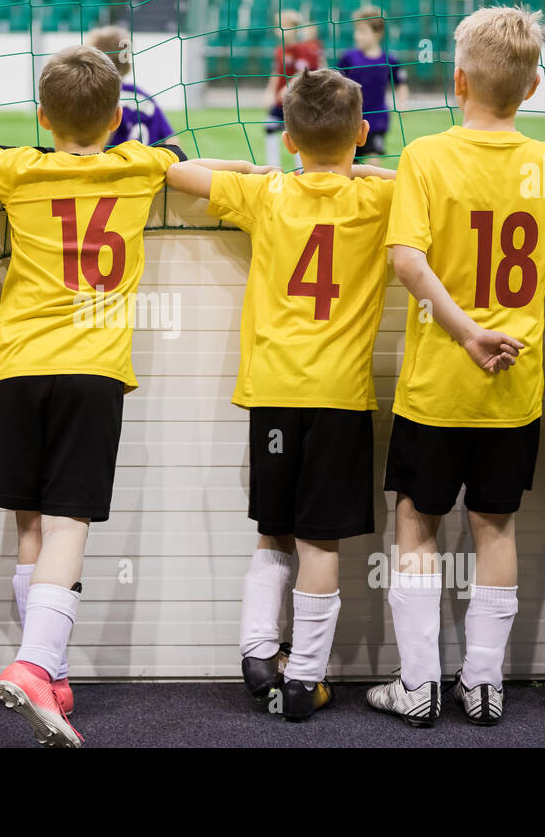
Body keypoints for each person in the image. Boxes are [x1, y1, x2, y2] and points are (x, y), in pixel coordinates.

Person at [166, 69, 395, 721]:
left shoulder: (267, 194)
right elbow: (430, 188)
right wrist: (364, 171)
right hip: (340, 396)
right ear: (363, 133)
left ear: (289, 139)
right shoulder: (378, 201)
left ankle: (259, 652)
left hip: (272, 392)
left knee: (275, 530)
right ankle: (305, 680)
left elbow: (178, 171)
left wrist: (255, 166)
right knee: (322, 541)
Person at [0, 45, 183, 746]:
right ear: (121, 117)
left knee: (32, 525)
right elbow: (212, 172)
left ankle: (52, 672)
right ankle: (36, 663)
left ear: (40, 116)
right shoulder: (141, 165)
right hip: (91, 372)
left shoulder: (13, 167)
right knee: (68, 527)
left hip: (19, 369)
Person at [367, 6, 545, 727]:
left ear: (457, 80)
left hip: (438, 385)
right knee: (497, 528)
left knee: (416, 524)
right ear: (535, 87)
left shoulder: (425, 155)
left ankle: (417, 685)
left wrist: (462, 332)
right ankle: (484, 687)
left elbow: (407, 260)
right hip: (513, 386)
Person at [336, 5, 409, 157]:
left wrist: (402, 103)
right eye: (356, 31)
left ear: (378, 33)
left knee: (373, 160)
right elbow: (337, 81)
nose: (357, 36)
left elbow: (401, 83)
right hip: (350, 118)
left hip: (377, 119)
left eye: (363, 31)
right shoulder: (349, 58)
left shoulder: (389, 60)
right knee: (349, 164)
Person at [87, 24, 177, 146]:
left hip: (116, 164)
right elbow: (172, 141)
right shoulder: (141, 95)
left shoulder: (100, 98)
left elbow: (95, 145)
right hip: (148, 163)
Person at [263, 10, 322, 167]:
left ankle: (301, 168)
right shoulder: (279, 50)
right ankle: (273, 167)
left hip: (296, 100)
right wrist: (269, 92)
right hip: (280, 101)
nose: (281, 30)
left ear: (295, 29)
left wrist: (289, 87)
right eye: (279, 26)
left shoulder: (302, 49)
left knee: (297, 135)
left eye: (286, 26)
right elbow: (275, 72)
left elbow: (303, 71)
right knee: (269, 126)